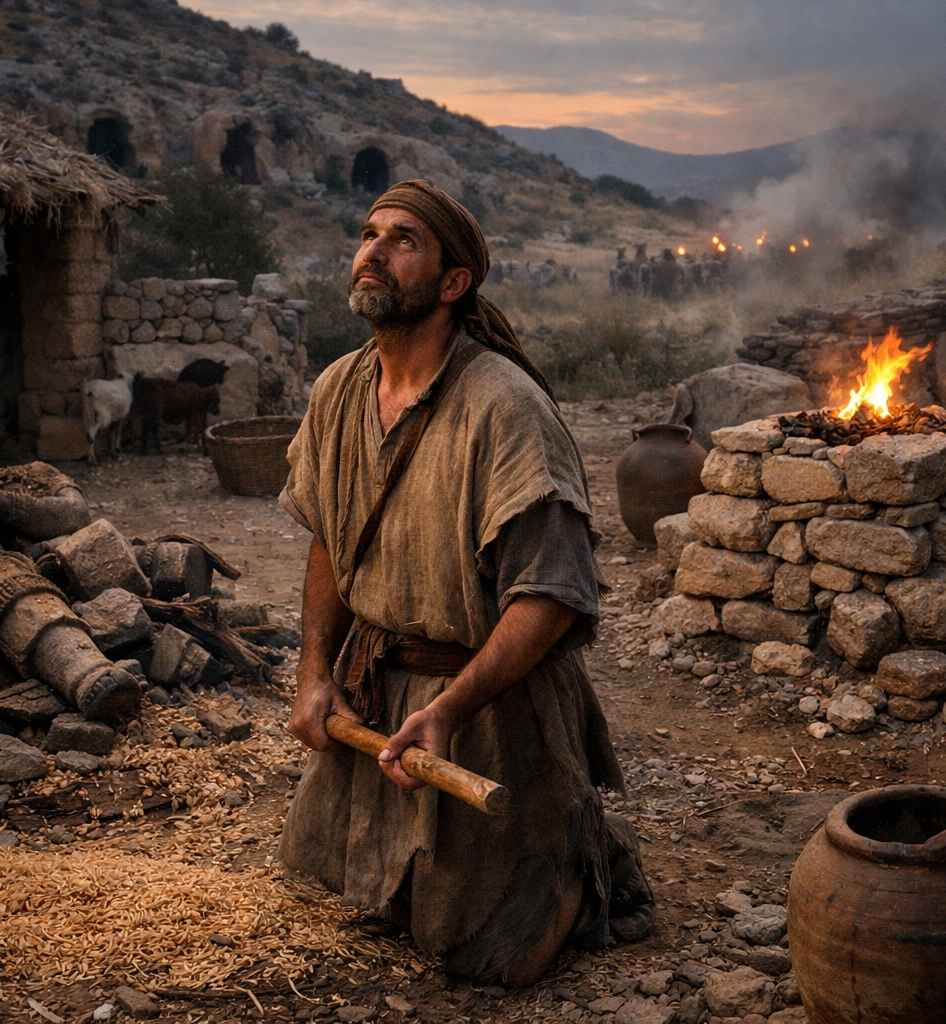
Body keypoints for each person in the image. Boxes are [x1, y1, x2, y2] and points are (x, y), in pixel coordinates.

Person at [278, 179, 653, 985]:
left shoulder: (505, 408)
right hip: (374, 700)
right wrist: (314, 675)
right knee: (326, 904)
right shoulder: (338, 389)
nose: (374, 251)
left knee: (492, 959)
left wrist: (450, 710)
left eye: (403, 239)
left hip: (484, 710)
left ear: (454, 283)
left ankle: (582, 859)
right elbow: (331, 540)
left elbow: (551, 595)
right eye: (369, 233)